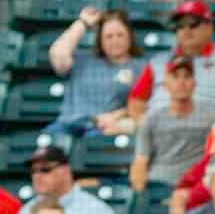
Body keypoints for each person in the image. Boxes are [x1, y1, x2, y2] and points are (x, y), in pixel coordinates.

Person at [46, 7, 145, 137]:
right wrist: (82, 23)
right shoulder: (81, 59)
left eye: (120, 35)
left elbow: (147, 103)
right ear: (100, 40)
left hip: (104, 129)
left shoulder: (141, 67)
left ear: (130, 36)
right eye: (108, 36)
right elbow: (57, 56)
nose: (115, 41)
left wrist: (117, 115)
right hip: (67, 125)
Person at [131, 57, 215, 193]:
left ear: (194, 83)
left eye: (187, 76)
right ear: (165, 84)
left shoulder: (212, 117)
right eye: (175, 77)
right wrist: (140, 195)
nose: (181, 82)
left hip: (196, 187)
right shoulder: (151, 119)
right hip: (158, 185)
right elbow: (140, 162)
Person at [129, 1, 215, 121]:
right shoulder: (158, 62)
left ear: (209, 27)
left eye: (193, 24)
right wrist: (146, 126)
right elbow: (136, 101)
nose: (186, 30)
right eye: (180, 25)